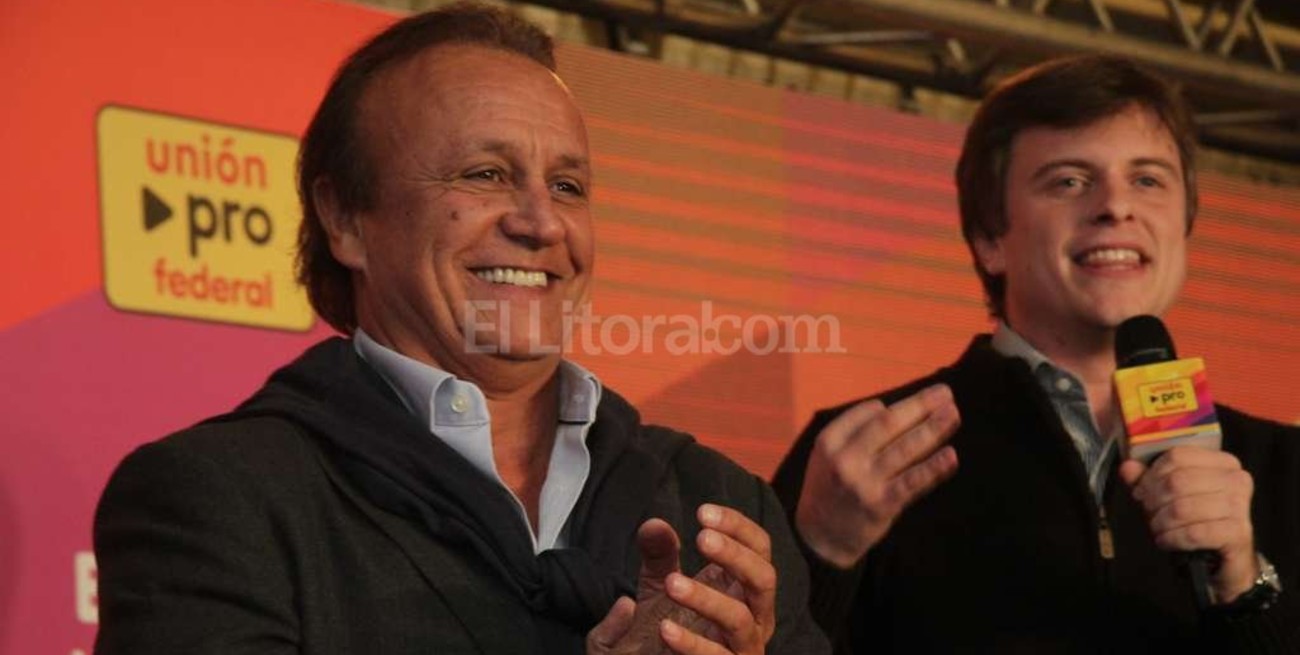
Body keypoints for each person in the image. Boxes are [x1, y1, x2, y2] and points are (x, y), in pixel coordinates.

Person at [93, 5, 827, 654]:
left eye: (567, 186)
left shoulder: (719, 507)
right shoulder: (219, 498)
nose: (542, 223)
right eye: (484, 174)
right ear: (346, 220)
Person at [772, 55, 1299, 653]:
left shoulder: (1282, 467)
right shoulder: (863, 459)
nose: (1116, 206)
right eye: (1069, 181)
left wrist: (1244, 583)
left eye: (1148, 180)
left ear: (1185, 228)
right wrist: (820, 553)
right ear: (989, 240)